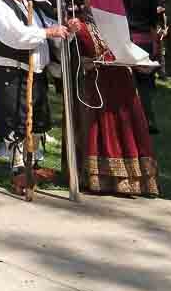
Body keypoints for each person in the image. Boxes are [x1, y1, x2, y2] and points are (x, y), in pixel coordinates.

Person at [0, 0, 70, 193]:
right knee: (17, 122)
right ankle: (19, 170)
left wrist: (65, 30)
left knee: (36, 123)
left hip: (35, 73)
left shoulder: (31, 5)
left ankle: (35, 165)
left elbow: (49, 30)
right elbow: (16, 37)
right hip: (12, 74)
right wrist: (48, 33)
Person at [64, 12, 159, 196]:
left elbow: (128, 50)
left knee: (128, 129)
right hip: (98, 85)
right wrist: (85, 61)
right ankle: (100, 178)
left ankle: (134, 179)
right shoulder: (80, 25)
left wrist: (139, 63)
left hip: (123, 82)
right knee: (101, 130)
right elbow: (71, 57)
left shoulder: (119, 24)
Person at [125, 0, 165, 132]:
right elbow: (155, 13)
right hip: (146, 39)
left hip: (130, 38)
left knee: (131, 82)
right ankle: (148, 120)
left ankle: (133, 121)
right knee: (145, 83)